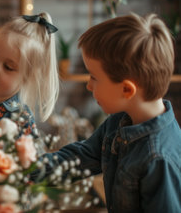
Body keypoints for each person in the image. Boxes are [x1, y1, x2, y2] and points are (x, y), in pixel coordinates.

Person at [38, 13, 181, 212]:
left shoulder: (159, 159)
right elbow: (81, 157)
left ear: (126, 90)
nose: (88, 85)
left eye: (94, 77)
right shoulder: (118, 122)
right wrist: (26, 167)